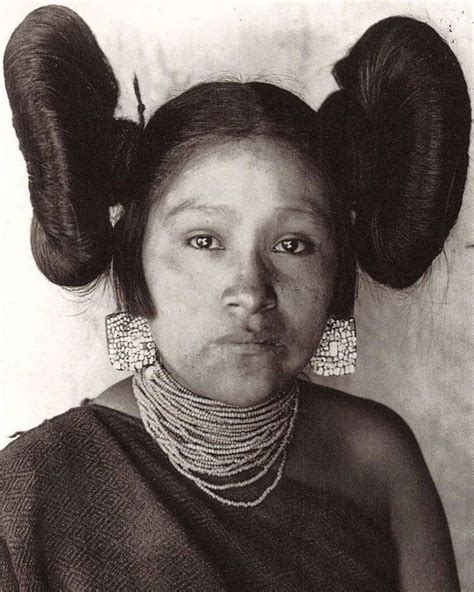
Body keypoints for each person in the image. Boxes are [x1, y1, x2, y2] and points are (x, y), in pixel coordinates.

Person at [0, 5, 470, 591]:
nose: (250, 290)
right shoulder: (37, 483)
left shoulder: (378, 457)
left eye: (293, 243)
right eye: (204, 240)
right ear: (137, 260)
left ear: (337, 273)